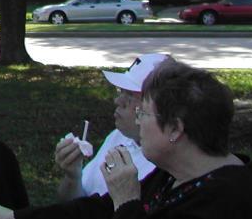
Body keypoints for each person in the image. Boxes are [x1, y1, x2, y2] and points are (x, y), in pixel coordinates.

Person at [0, 61, 252, 219]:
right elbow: (93, 214)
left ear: (175, 129)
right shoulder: (178, 175)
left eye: (144, 113)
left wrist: (127, 204)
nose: (137, 121)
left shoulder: (223, 203)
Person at [55, 53, 169, 200]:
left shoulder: (163, 164)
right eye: (121, 91)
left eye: (130, 95)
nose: (118, 101)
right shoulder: (119, 136)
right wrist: (73, 176)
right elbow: (74, 204)